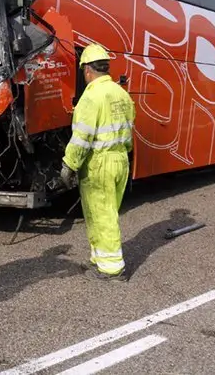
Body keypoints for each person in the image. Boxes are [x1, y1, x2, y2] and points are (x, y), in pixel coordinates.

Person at [60, 43, 135, 282]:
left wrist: (69, 165)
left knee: (102, 215)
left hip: (99, 163)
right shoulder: (122, 94)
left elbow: (82, 137)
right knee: (102, 212)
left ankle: (112, 269)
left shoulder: (91, 97)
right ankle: (99, 258)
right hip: (120, 159)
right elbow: (129, 133)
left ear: (87, 71)